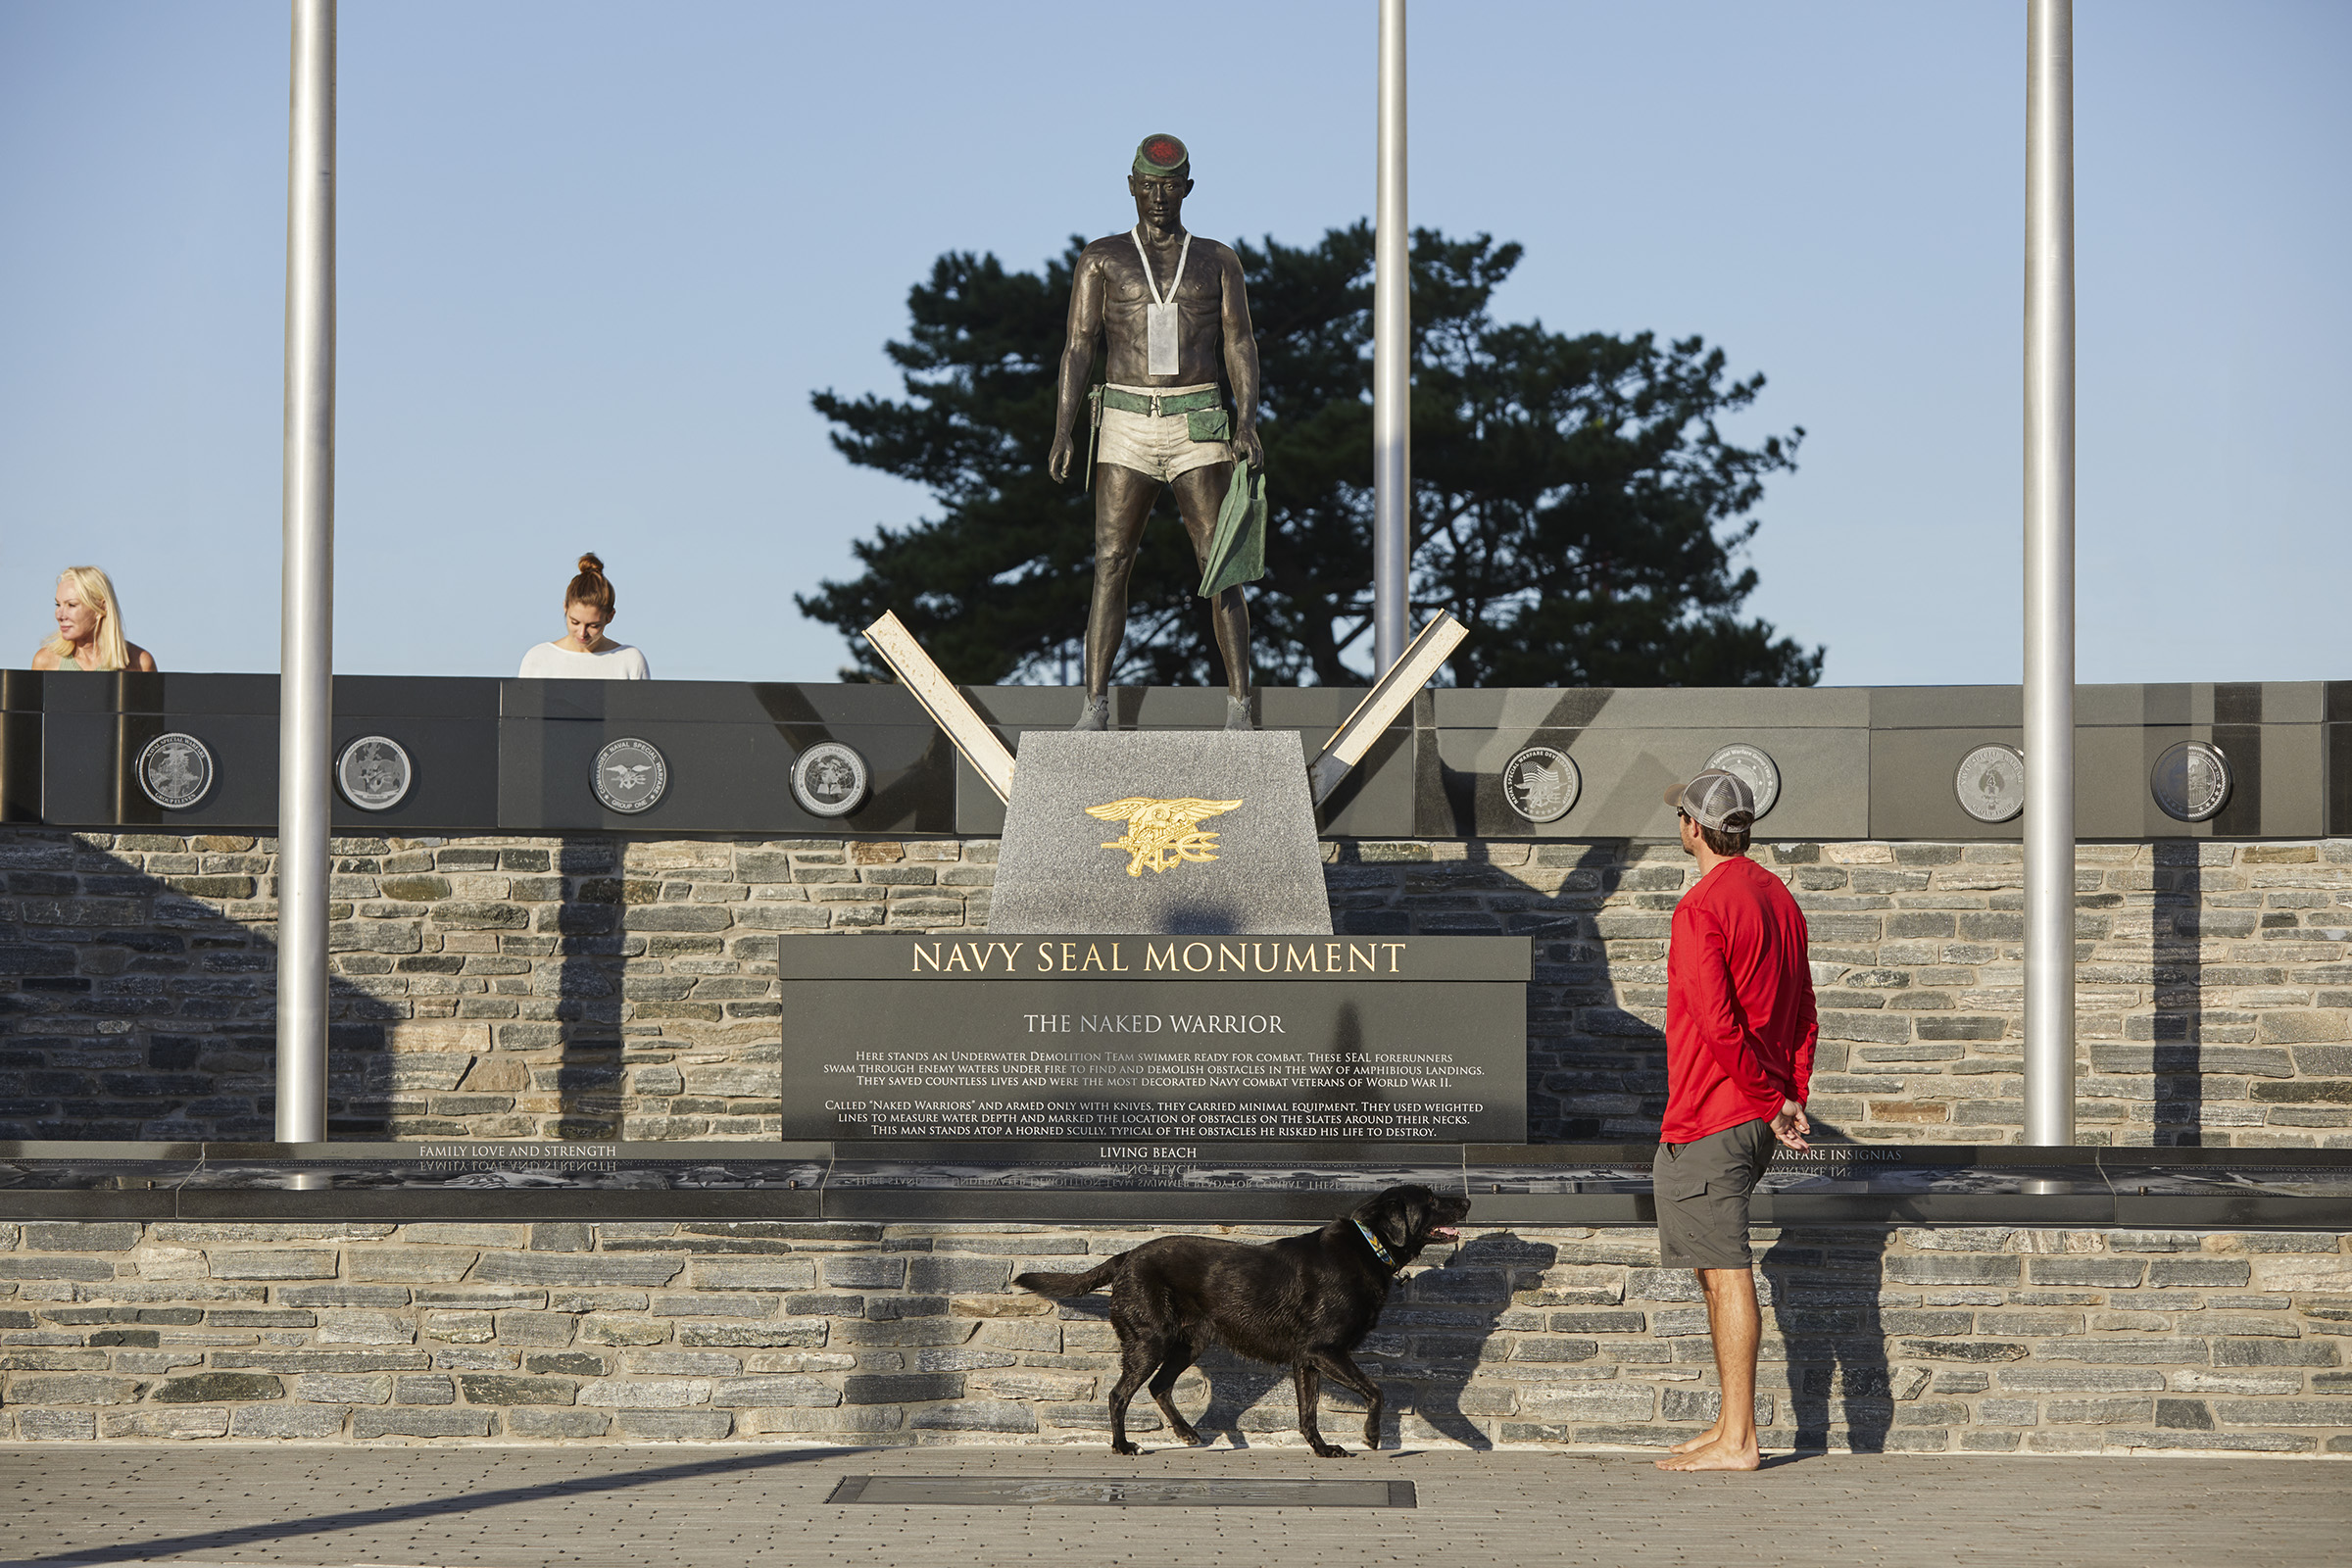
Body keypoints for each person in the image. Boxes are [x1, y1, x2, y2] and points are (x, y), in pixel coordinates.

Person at [1047, 133, 1265, 732]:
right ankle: (1094, 707)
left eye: (1170, 187)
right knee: (1111, 559)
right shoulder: (1102, 257)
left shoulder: (1218, 259)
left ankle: (1240, 707)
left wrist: (1247, 420)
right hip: (1125, 418)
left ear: (1187, 188)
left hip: (1198, 417)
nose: (1159, 197)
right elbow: (1079, 344)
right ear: (1131, 187)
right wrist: (1064, 429)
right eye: (1149, 186)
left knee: (1220, 563)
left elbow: (1240, 341)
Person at [1649, 767, 1817, 1474]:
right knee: (1715, 1268)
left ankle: (1740, 1440)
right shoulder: (1779, 898)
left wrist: (1772, 1100)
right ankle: (1728, 1423)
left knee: (1725, 1271)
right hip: (1749, 1113)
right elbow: (1805, 1009)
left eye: (1680, 818)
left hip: (1714, 1114)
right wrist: (1790, 1093)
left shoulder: (1700, 908)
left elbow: (1718, 1024)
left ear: (1693, 827)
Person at [516, 553, 650, 679]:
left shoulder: (630, 660)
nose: (582, 633)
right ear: (565, 608)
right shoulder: (538, 658)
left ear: (610, 617)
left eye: (593, 626)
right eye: (575, 622)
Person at [31, 566, 157, 672]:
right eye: (58, 605)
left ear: (101, 607)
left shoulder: (140, 663)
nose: (59, 615)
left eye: (71, 605)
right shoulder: (45, 662)